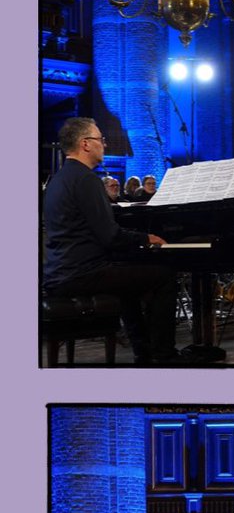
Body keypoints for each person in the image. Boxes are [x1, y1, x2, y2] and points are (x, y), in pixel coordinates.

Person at [42, 118, 180, 365]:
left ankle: (144, 352)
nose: (104, 144)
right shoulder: (86, 180)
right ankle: (164, 356)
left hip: (61, 272)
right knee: (165, 276)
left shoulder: (59, 179)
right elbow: (110, 235)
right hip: (80, 274)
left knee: (127, 281)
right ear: (85, 144)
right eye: (100, 139)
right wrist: (145, 238)